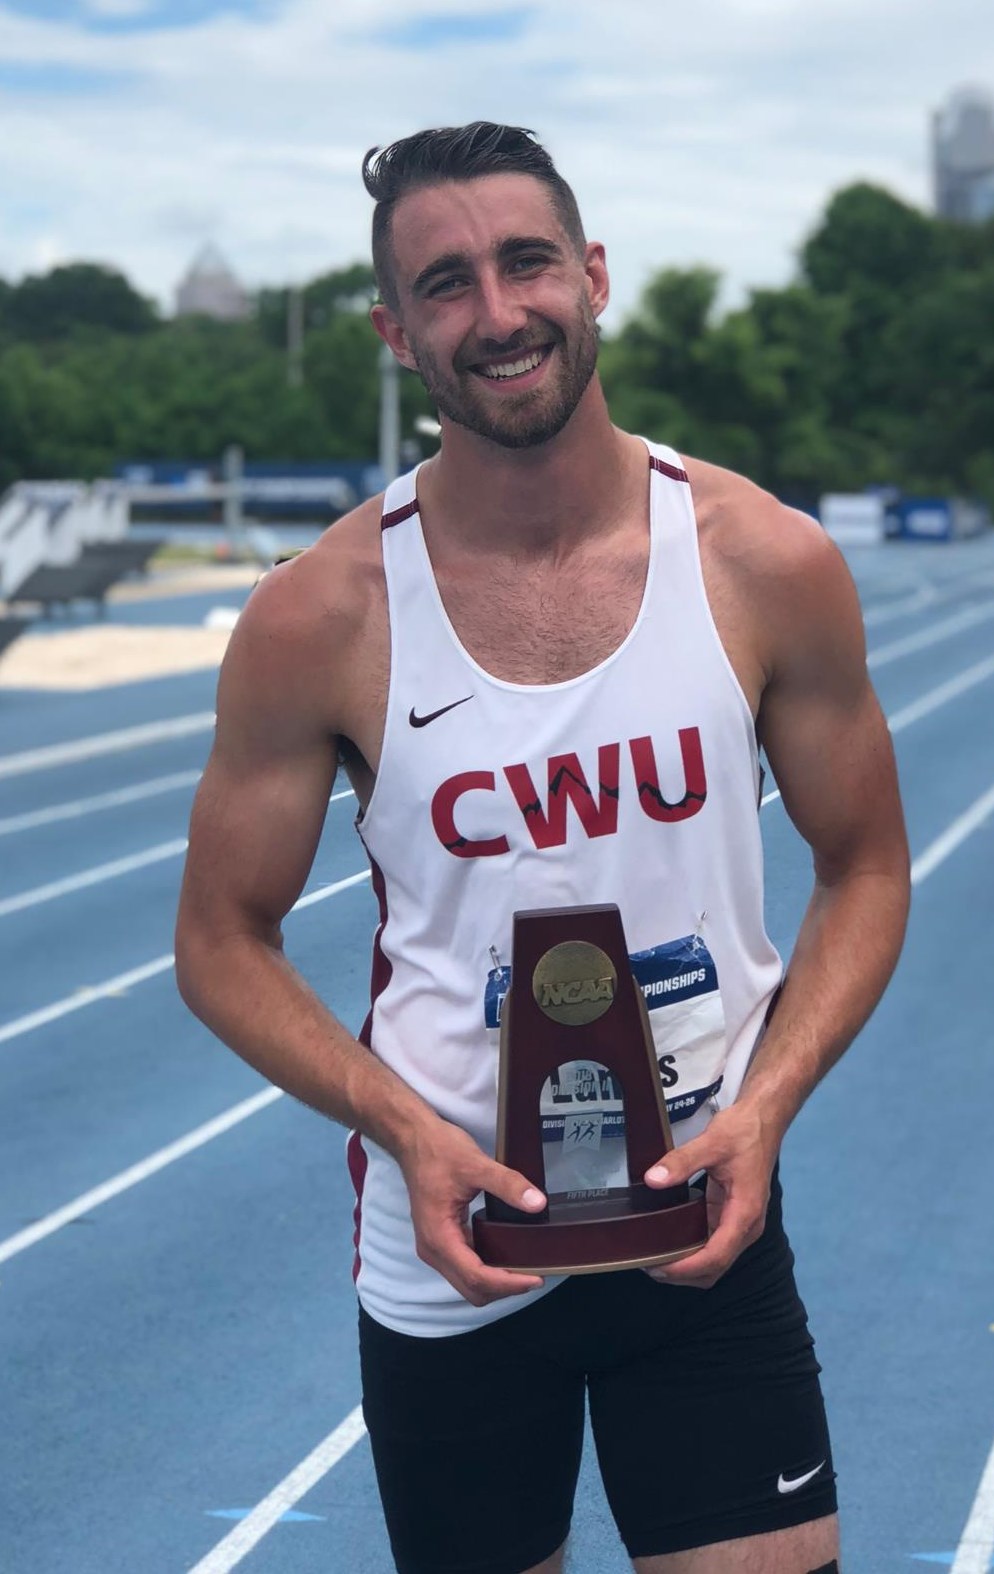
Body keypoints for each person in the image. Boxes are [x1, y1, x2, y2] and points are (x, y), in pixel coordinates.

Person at [174, 122, 910, 1574]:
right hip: (454, 1251)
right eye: (444, 284)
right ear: (396, 332)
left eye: (524, 264)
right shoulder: (320, 615)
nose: (496, 313)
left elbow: (865, 865)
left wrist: (766, 1109)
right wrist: (403, 1127)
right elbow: (217, 941)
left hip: (704, 1218)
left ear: (592, 275)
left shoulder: (760, 562)